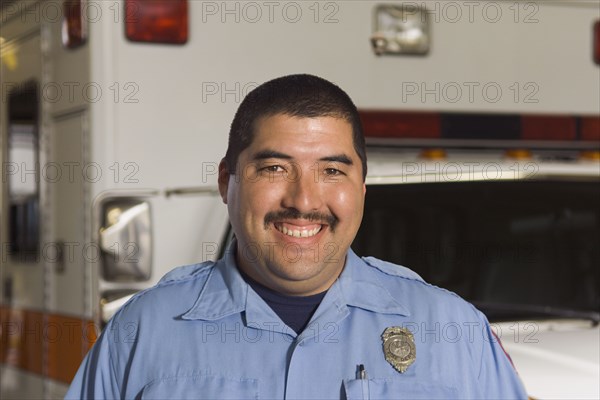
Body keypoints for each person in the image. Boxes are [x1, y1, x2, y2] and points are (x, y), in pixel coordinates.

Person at [67, 74, 528, 399]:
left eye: (331, 170)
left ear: (361, 187)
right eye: (274, 168)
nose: (304, 200)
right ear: (227, 181)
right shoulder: (143, 331)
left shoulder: (456, 332)